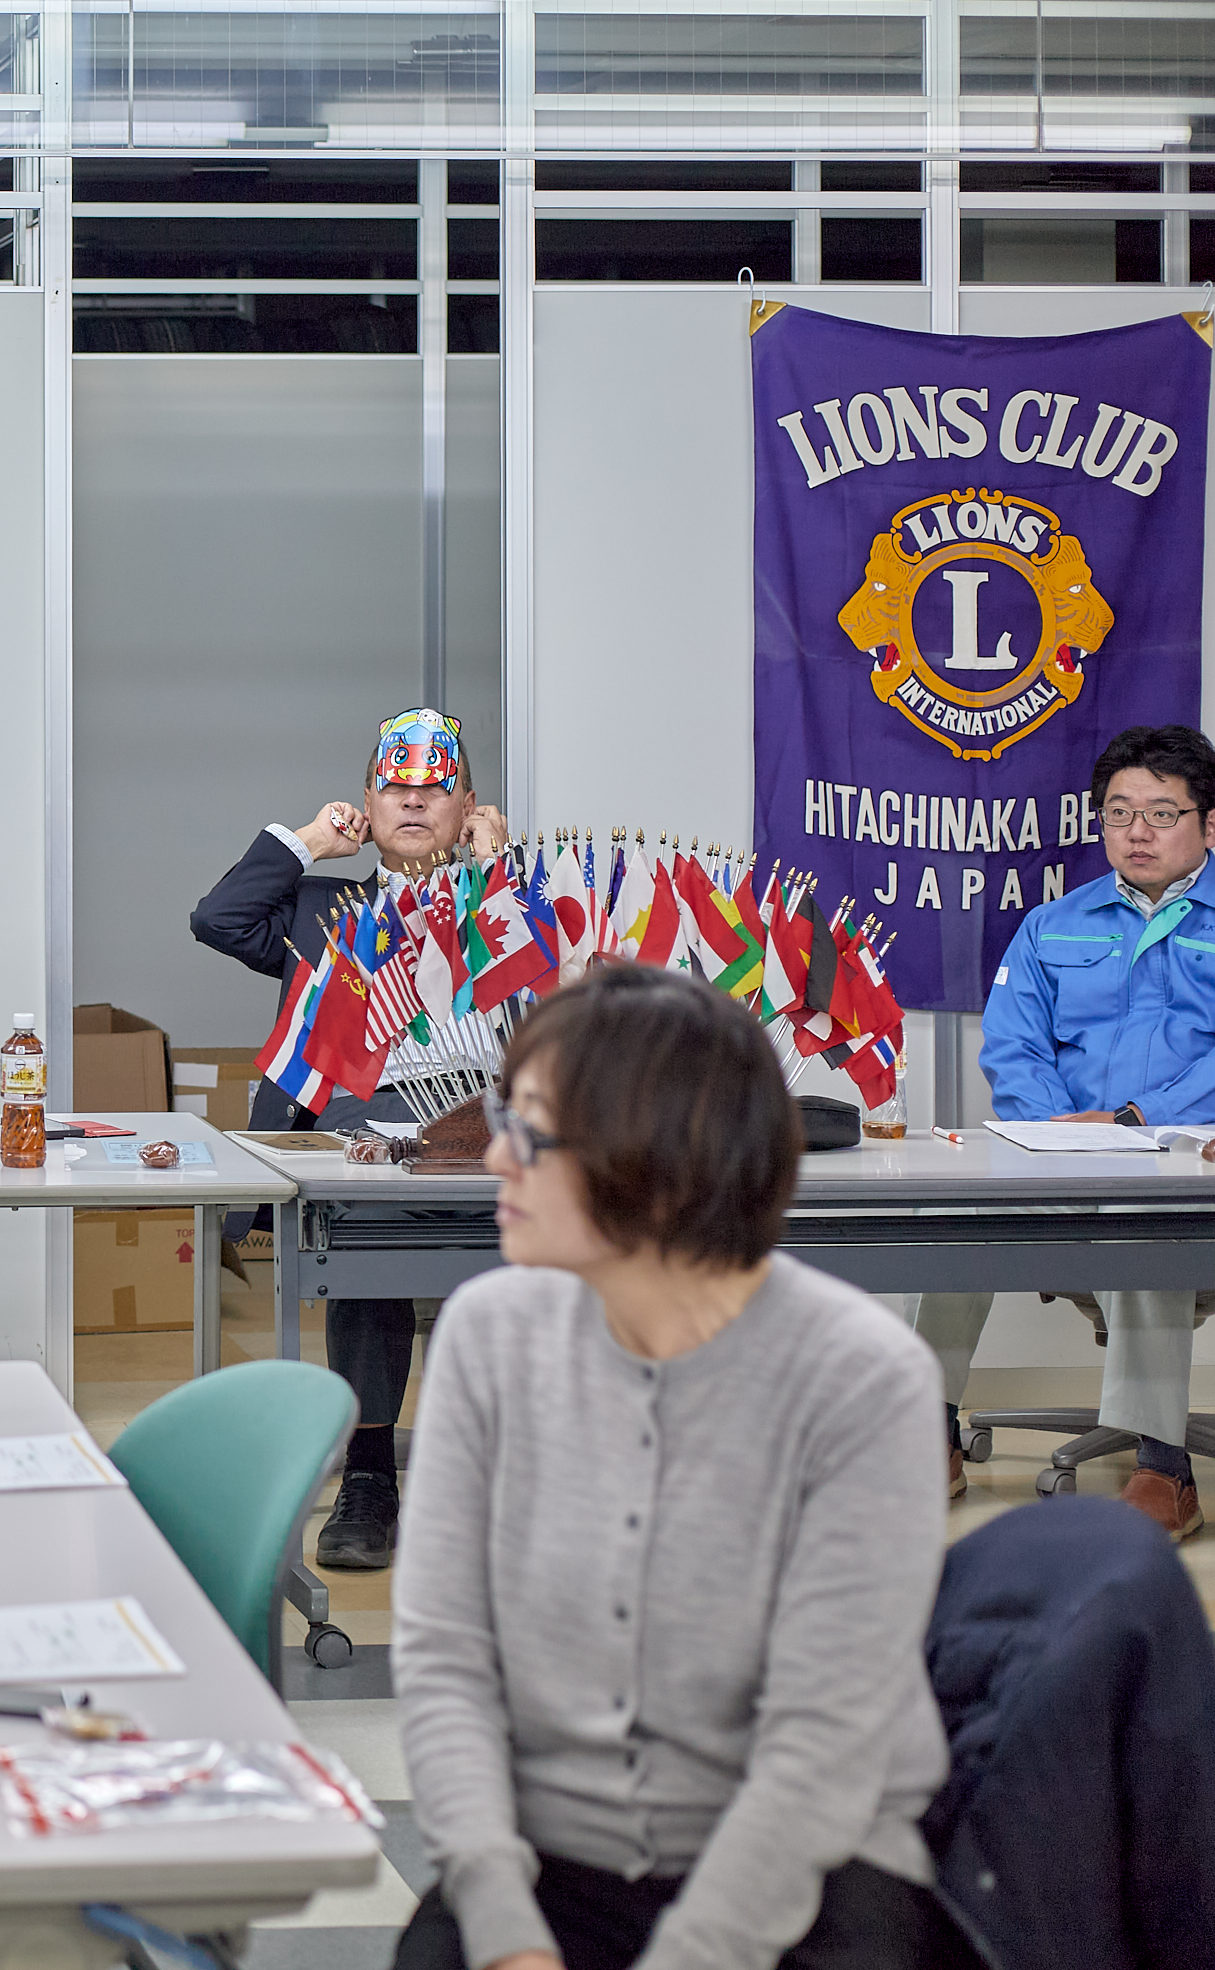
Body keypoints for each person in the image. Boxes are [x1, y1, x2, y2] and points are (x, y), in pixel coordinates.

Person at [395, 965, 962, 1970]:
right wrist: (503, 1927)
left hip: (802, 1870)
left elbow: (819, 1751)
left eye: (527, 1131)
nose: (494, 1157)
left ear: (652, 1162)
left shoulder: (862, 1378)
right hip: (543, 1862)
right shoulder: (488, 1333)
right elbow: (445, 1660)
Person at [190, 706, 510, 1569]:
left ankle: (500, 1477)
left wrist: (499, 871)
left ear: (470, 804)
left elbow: (564, 991)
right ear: (367, 804)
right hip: (362, 1133)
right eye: (394, 788)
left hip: (491, 1131)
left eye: (435, 789)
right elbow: (217, 920)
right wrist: (307, 842)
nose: (413, 802)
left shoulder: (509, 898)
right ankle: (369, 1475)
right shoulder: (321, 910)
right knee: (365, 1252)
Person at [907, 724, 1215, 1538]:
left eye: (1161, 813)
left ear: (1208, 825)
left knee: (1149, 1234)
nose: (1137, 832)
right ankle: (929, 1432)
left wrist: (1138, 1121)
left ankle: (1162, 1466)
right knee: (951, 1223)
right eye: (1119, 814)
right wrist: (1057, 1128)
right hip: (1068, 1162)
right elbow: (1013, 1044)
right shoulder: (1053, 926)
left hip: (1189, 1169)